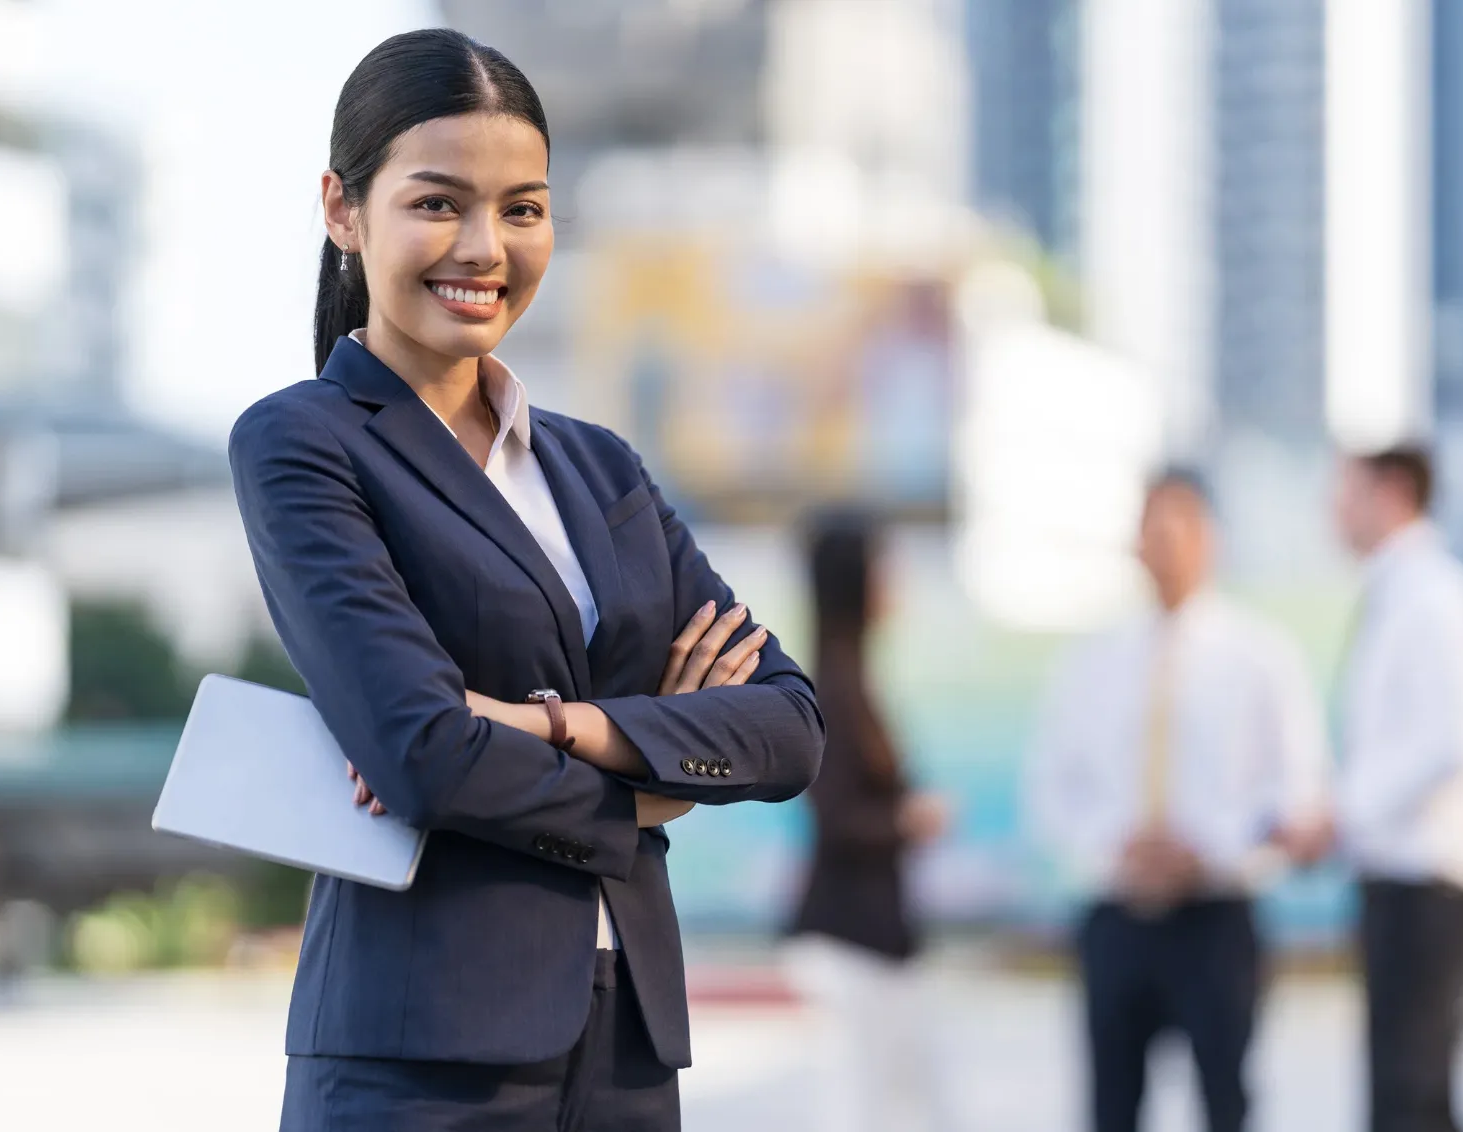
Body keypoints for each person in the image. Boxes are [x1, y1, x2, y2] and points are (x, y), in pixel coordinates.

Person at [228, 30, 823, 1130]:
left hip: (626, 1050)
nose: (483, 246)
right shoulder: (303, 443)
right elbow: (423, 754)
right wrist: (665, 773)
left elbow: (787, 724)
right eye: (437, 203)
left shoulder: (598, 467)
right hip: (419, 1063)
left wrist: (554, 727)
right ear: (342, 209)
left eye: (521, 207)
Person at [1025, 470, 1328, 1132]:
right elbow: (1052, 786)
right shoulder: (1089, 663)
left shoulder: (1260, 658)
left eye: (1177, 527)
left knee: (1226, 1105)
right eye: (1149, 529)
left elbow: (1295, 786)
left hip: (1216, 920)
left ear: (1209, 539)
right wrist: (1118, 848)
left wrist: (1209, 851)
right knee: (1111, 1109)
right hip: (1116, 917)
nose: (1162, 545)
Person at [1330, 445, 1463, 1132]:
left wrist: (1343, 812)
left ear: (1392, 491)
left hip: (1426, 886)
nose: (1335, 513)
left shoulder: (1436, 597)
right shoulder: (1397, 595)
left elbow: (1449, 740)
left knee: (1413, 1098)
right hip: (1396, 881)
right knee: (1410, 1097)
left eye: (1347, 494)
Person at [784, 511, 951, 1132]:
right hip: (851, 943)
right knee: (861, 1111)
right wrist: (909, 820)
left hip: (879, 937)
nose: (895, 580)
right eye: (883, 566)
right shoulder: (832, 687)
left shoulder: (852, 677)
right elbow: (833, 816)